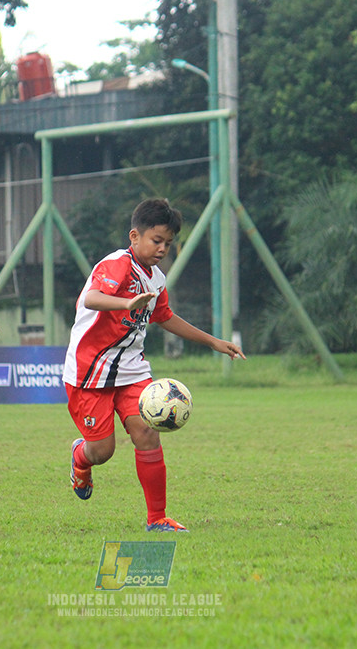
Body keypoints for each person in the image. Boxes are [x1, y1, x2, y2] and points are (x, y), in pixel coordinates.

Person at [63, 198, 245, 532]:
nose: (162, 249)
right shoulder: (118, 264)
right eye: (156, 240)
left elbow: (165, 317)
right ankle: (80, 458)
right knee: (102, 451)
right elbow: (91, 298)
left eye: (168, 244)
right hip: (90, 372)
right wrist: (126, 303)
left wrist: (213, 342)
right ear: (134, 236)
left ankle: (157, 518)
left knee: (147, 432)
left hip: (132, 370)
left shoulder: (156, 279)